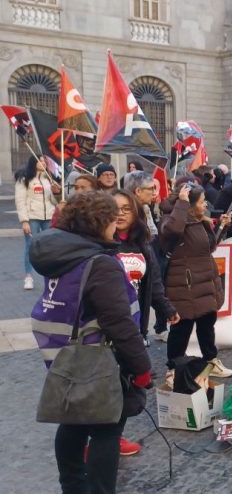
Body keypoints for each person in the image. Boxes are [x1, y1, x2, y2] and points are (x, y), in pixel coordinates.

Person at [29, 191, 151, 493]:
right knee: (107, 430)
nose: (116, 224)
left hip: (62, 355)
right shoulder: (100, 263)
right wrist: (141, 367)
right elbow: (119, 323)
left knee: (73, 422)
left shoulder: (64, 255)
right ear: (100, 222)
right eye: (112, 218)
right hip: (99, 359)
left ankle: (71, 486)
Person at [161, 183, 232, 378]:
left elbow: (208, 246)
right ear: (190, 204)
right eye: (202, 202)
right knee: (182, 328)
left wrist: (221, 227)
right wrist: (182, 204)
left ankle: (210, 361)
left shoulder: (200, 220)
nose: (205, 205)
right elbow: (173, 231)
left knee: (206, 324)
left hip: (205, 280)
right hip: (185, 285)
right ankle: (174, 369)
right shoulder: (172, 219)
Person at [113, 190, 179, 344]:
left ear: (136, 213)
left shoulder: (143, 245)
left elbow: (154, 282)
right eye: (114, 208)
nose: (120, 213)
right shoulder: (99, 244)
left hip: (136, 318)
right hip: (107, 322)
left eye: (126, 209)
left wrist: (166, 308)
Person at [16, 155, 60, 290]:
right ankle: (28, 277)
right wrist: (24, 221)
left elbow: (55, 201)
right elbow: (20, 201)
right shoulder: (25, 179)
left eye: (44, 161)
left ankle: (51, 275)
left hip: (48, 217)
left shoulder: (49, 179)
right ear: (33, 163)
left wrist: (57, 192)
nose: (43, 163)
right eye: (40, 161)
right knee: (30, 247)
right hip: (32, 218)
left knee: (50, 247)